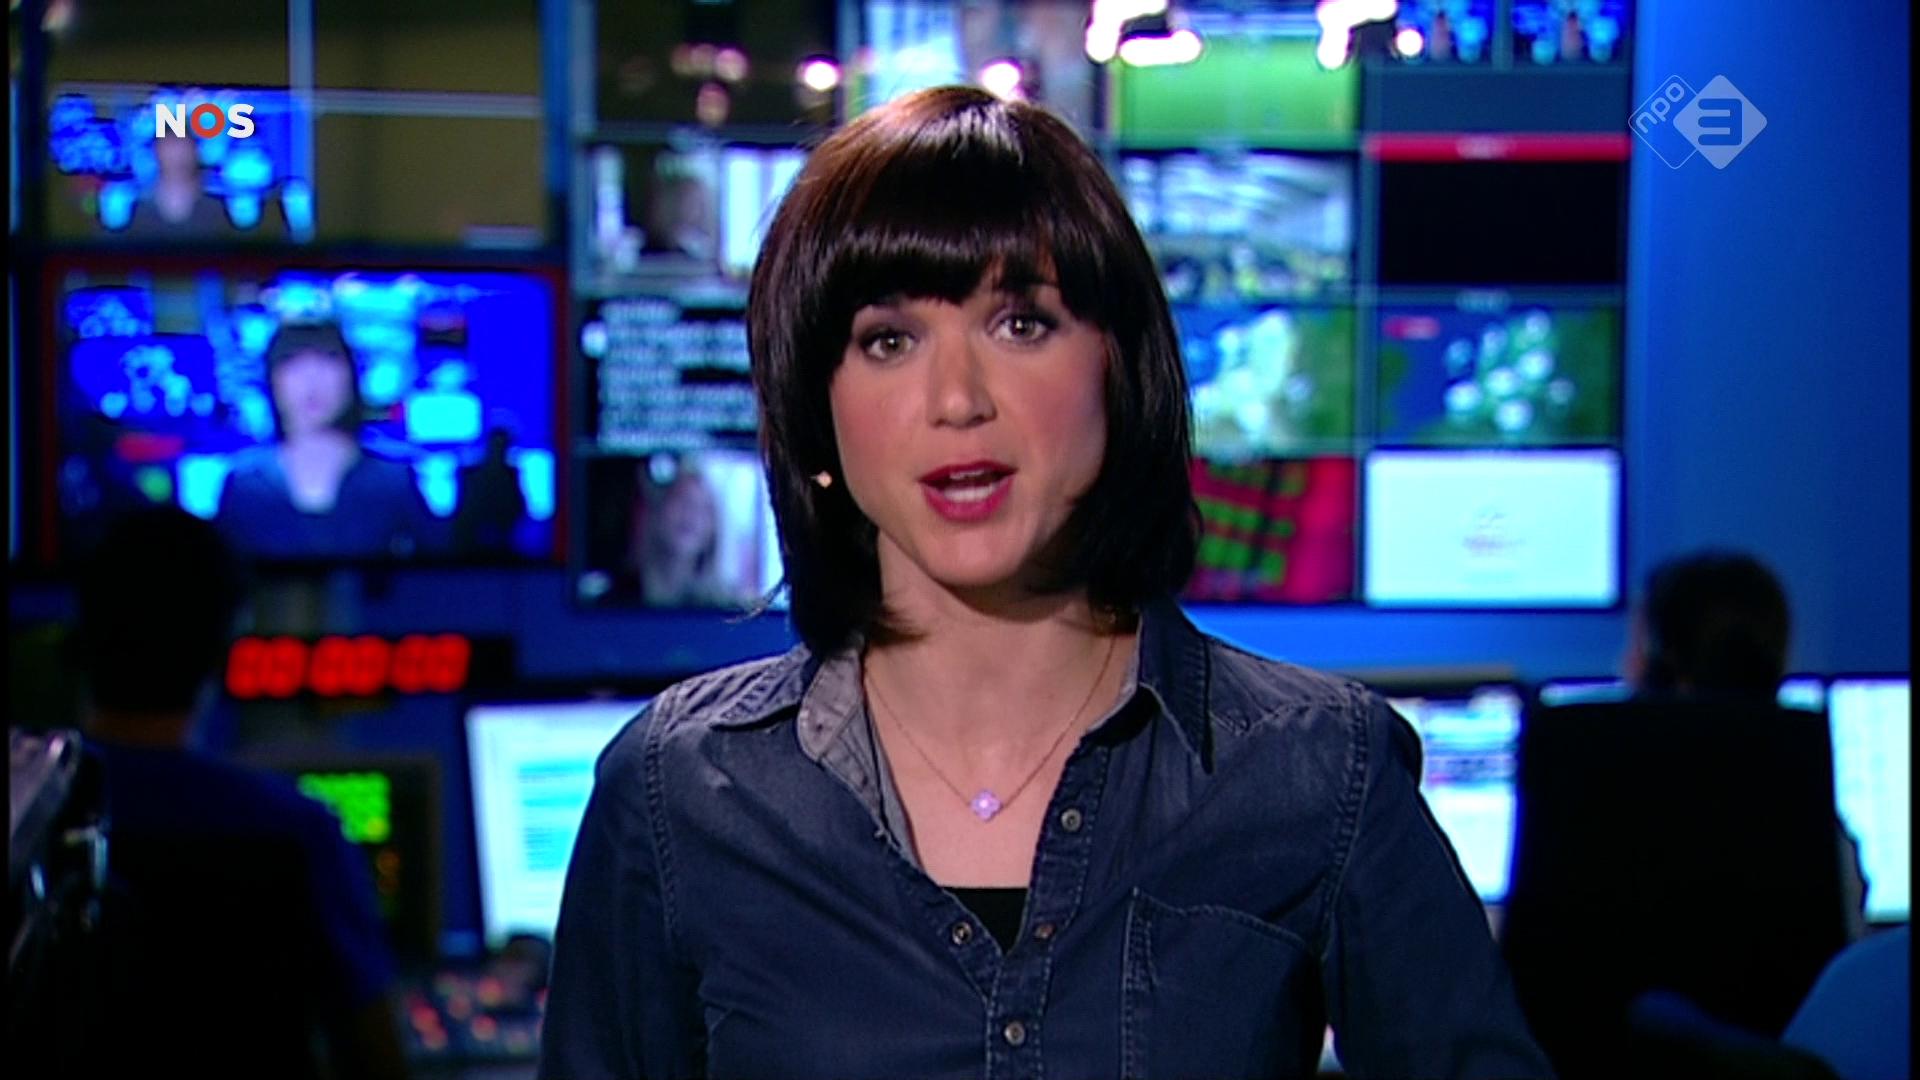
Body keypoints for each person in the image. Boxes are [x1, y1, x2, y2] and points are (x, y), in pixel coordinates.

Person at [539, 86, 1550, 1079]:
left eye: (1020, 324)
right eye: (888, 340)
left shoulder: (1319, 771)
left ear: (1117, 368)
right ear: (817, 414)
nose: (956, 400)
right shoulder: (677, 795)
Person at [68, 506, 408, 1079]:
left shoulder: (30, 817)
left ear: (81, 639)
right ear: (226, 651)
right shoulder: (299, 834)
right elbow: (378, 1059)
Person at [1621, 549, 1868, 936]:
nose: (1625, 667)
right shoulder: (1820, 834)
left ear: (1665, 669)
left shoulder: (1607, 818)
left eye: (1634, 650)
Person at [215, 322, 439, 559]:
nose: (312, 381)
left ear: (351, 377)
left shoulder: (393, 483)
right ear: (272, 381)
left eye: (328, 361)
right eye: (293, 364)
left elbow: (438, 569)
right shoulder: (245, 488)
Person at [451, 426, 528, 558]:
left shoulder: (512, 476)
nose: (499, 451)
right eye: (496, 446)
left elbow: (518, 508)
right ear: (488, 447)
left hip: (504, 548)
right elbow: (463, 514)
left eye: (502, 446)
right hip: (469, 549)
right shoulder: (469, 475)